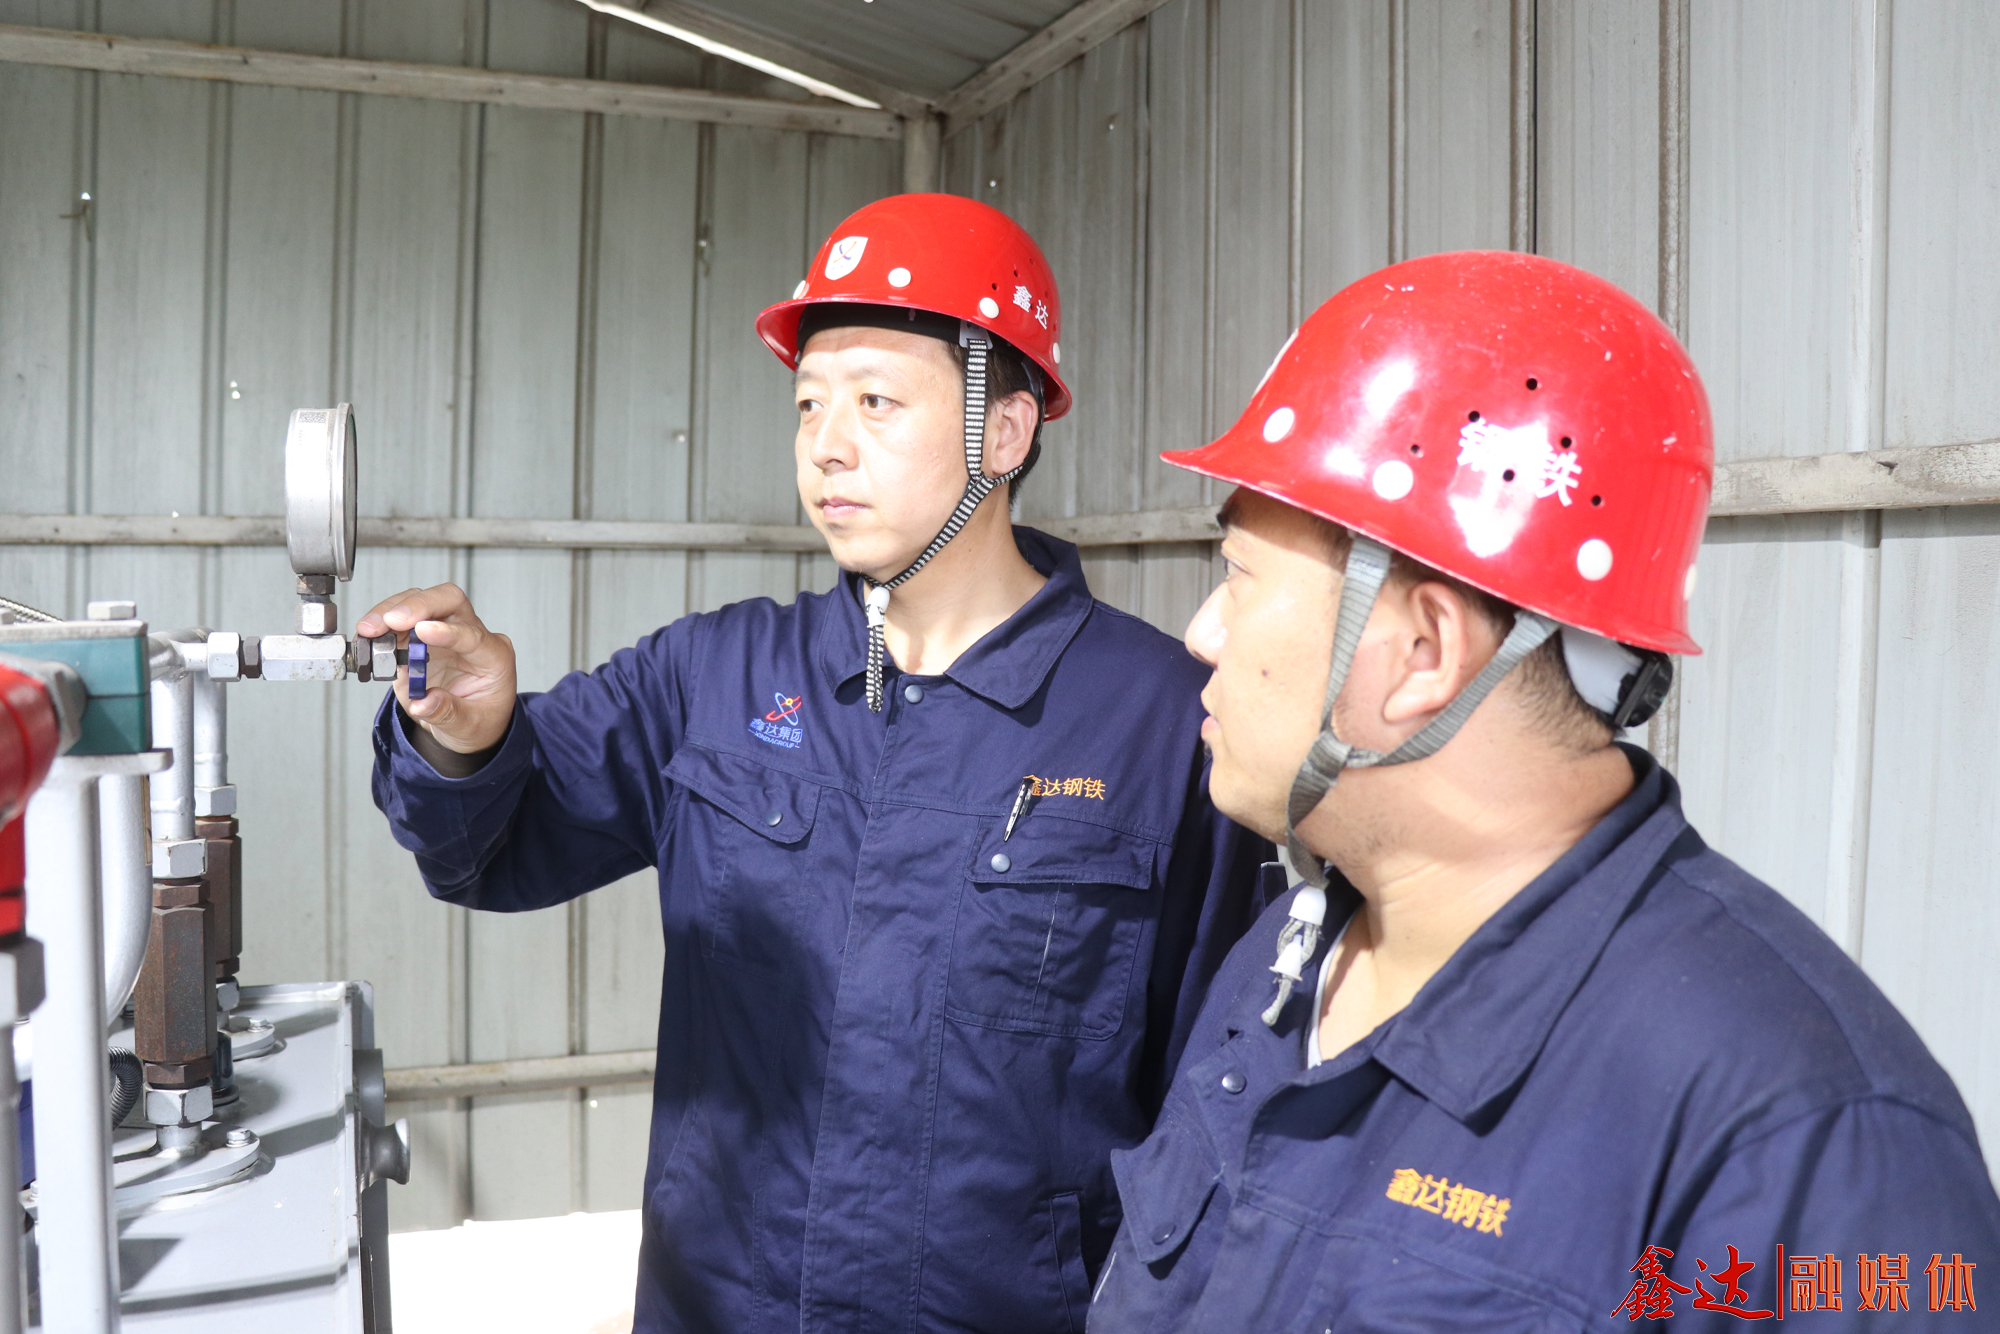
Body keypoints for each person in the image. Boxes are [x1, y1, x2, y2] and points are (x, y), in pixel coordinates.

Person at [362, 193, 1271, 1332]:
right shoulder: (714, 676)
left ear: (1004, 431)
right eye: (808, 404)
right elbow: (484, 848)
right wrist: (463, 738)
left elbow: (1219, 1094)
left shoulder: (1160, 720)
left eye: (876, 401)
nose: (826, 445)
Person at [1087, 251, 2000, 1330]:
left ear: (1421, 650)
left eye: (1238, 578)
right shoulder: (1286, 965)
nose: (1202, 634)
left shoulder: (1809, 1145)